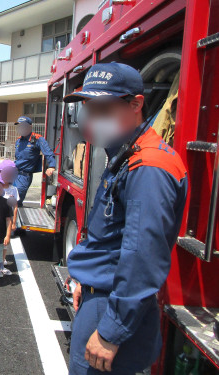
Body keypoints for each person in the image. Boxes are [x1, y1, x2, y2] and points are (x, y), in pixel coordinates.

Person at [64, 62, 188, 374]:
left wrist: (111, 331)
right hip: (103, 295)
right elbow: (110, 234)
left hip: (112, 306)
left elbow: (143, 257)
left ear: (135, 105)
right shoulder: (127, 153)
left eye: (104, 109)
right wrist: (86, 279)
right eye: (90, 109)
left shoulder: (149, 167)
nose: (93, 119)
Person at [14, 116, 56, 205]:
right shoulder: (18, 140)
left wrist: (52, 166)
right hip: (13, 173)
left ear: (30, 126)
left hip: (24, 176)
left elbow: (48, 152)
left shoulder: (37, 139)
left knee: (16, 201)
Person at [0, 159, 19, 276]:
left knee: (5, 242)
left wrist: (14, 222)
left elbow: (15, 206)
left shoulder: (13, 190)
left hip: (7, 221)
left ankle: (2, 261)